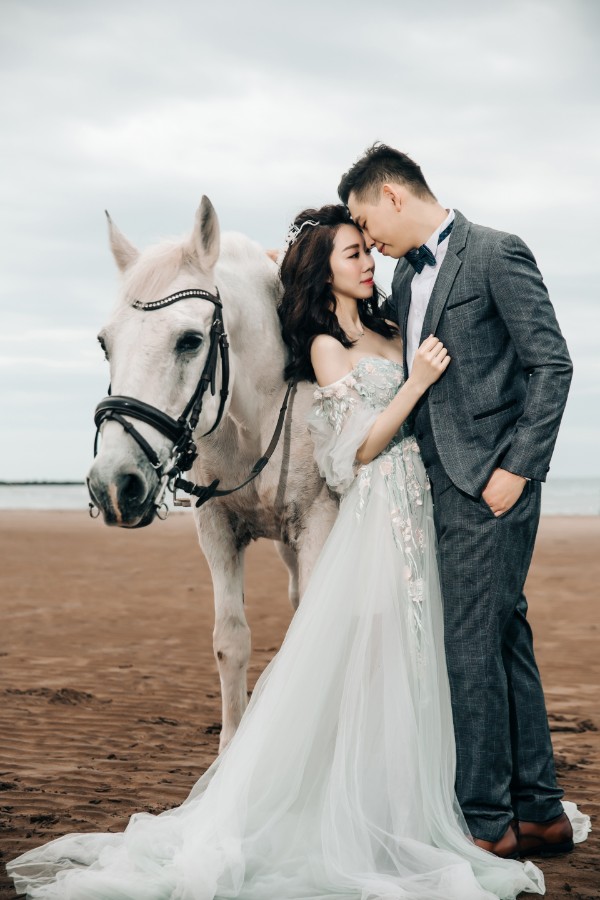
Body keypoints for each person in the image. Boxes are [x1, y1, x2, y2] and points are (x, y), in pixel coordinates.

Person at [8, 204, 561, 900]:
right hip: (384, 495)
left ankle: (461, 796)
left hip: (421, 504)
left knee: (439, 645)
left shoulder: (391, 321)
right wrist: (413, 380)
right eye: (353, 254)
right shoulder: (329, 346)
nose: (369, 263)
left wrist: (284, 262)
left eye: (367, 251)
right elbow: (357, 445)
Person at [338, 143, 580, 860]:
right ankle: (538, 812)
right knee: (504, 637)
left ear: (390, 194)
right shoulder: (407, 286)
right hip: (433, 491)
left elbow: (552, 364)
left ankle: (484, 823)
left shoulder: (498, 253)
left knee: (469, 647)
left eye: (363, 219)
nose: (370, 240)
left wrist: (519, 469)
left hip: (491, 488)